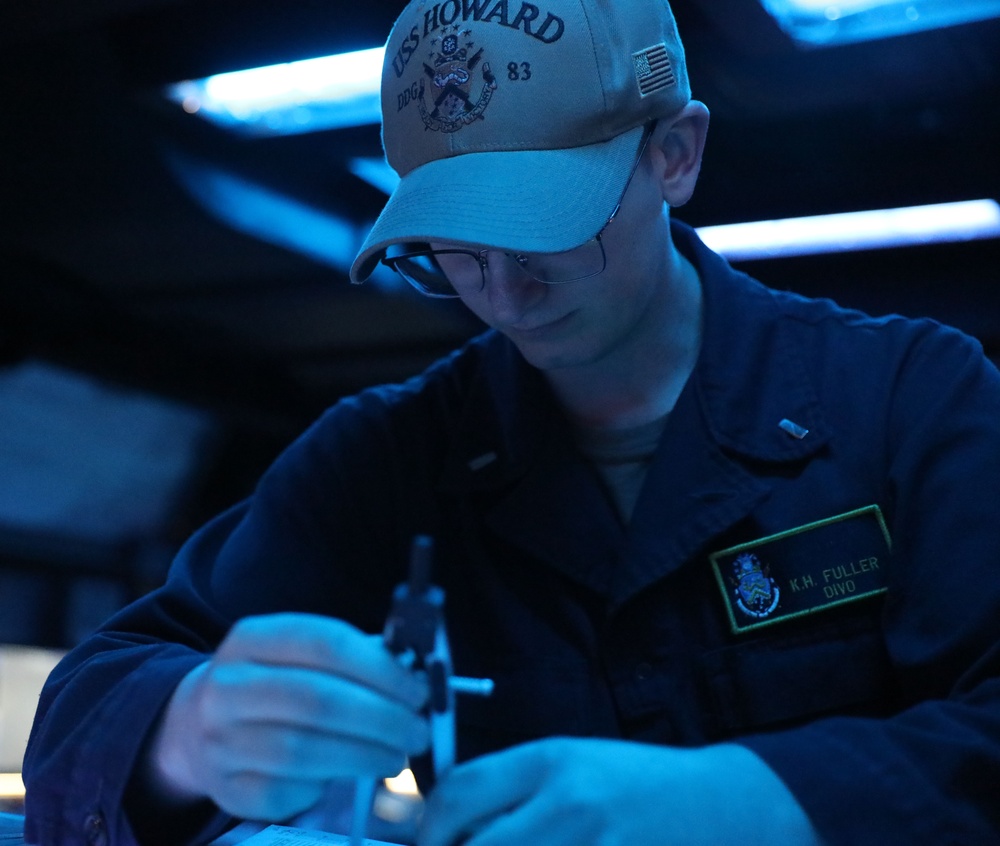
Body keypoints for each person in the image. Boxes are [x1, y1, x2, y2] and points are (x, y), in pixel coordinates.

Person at [22, 0, 1000, 843]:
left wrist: (771, 801)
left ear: (673, 153)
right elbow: (93, 700)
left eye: (545, 228)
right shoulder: (389, 459)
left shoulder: (911, 399)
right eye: (452, 251)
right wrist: (189, 730)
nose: (504, 294)